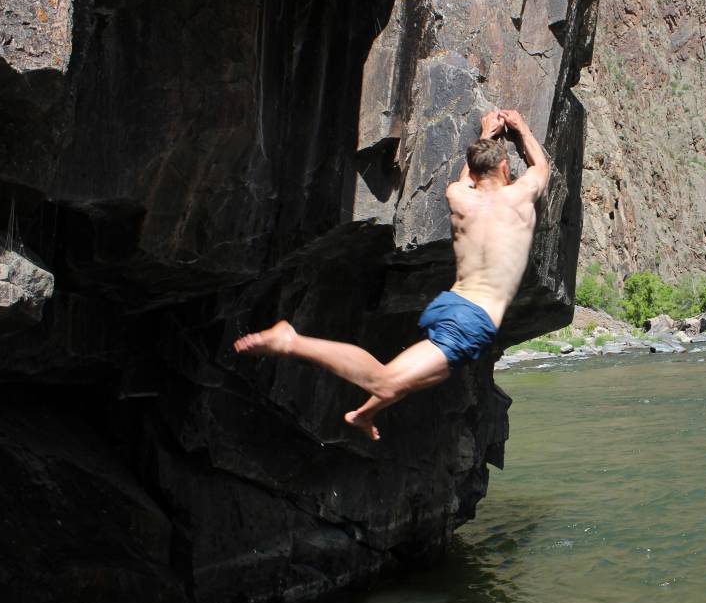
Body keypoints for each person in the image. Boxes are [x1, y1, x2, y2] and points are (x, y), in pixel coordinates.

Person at [233, 109, 550, 440]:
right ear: (505, 168)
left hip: (451, 306)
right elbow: (540, 167)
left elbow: (466, 178)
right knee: (385, 381)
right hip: (472, 320)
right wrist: (521, 128)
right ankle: (290, 341)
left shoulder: (459, 197)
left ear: (474, 171)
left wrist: (485, 135)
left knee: (416, 377)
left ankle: (365, 414)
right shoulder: (519, 196)